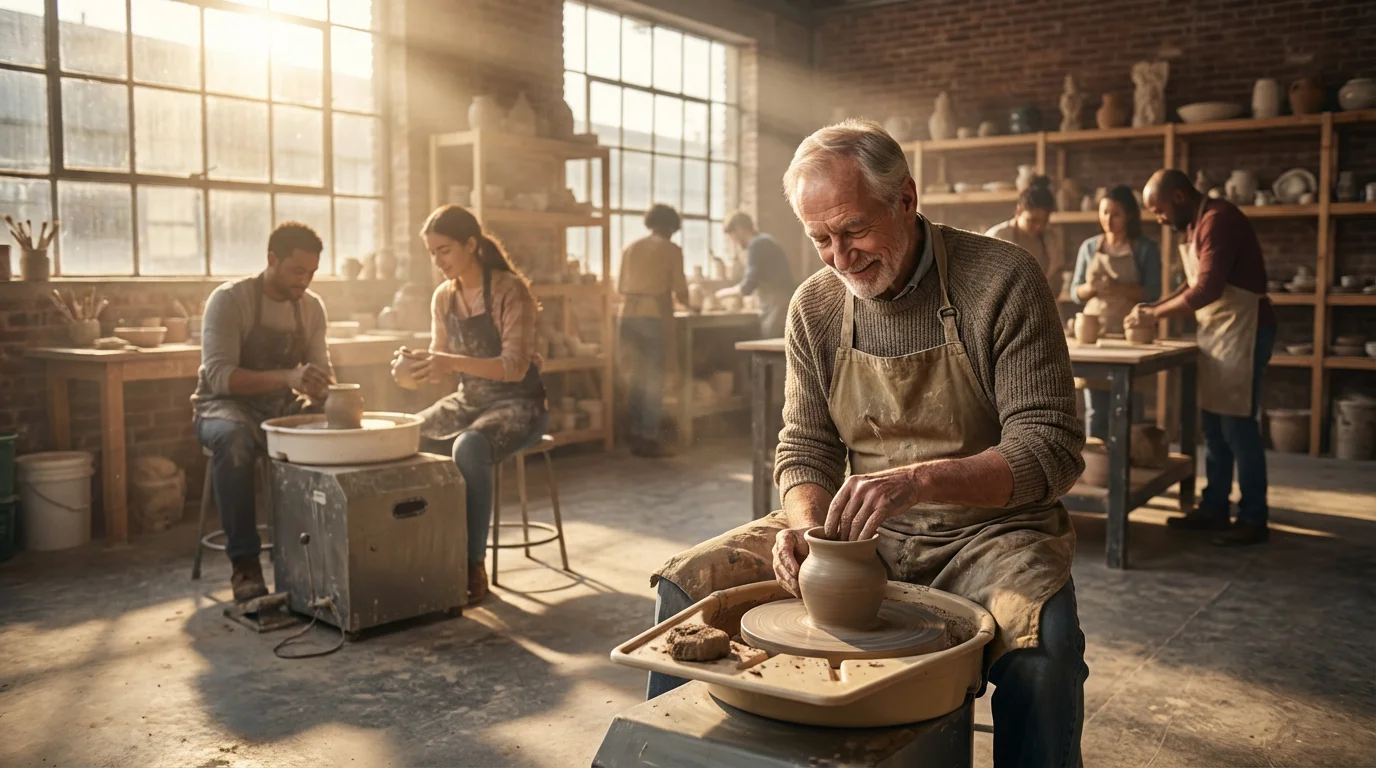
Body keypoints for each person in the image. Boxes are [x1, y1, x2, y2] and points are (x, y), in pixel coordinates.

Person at [648, 120, 1088, 765]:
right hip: (858, 531)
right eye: (819, 238)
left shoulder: (1001, 279)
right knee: (686, 593)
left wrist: (918, 480)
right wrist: (802, 526)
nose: (839, 255)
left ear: (905, 200)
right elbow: (804, 447)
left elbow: (1049, 446)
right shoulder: (816, 306)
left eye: (853, 230)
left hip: (989, 533)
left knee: (1044, 647)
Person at [396, 205, 549, 603]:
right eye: (432, 253)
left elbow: (515, 367)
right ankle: (425, 554)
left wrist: (450, 362)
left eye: (444, 250)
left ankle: (470, 562)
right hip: (470, 400)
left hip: (521, 403)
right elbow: (440, 366)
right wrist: (411, 370)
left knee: (468, 447)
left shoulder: (507, 290)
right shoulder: (443, 298)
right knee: (403, 435)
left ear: (471, 244)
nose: (438, 261)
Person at [1130, 169, 1276, 547]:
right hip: (1219, 333)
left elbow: (1208, 289)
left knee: (1239, 428)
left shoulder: (1219, 220)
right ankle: (1214, 508)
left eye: (1158, 209)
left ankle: (1253, 517)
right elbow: (1193, 284)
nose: (1158, 219)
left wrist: (1155, 316)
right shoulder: (1195, 226)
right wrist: (1155, 306)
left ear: (1178, 197)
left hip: (1245, 331)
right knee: (1213, 426)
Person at [193, 222, 333, 603]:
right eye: (297, 271)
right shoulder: (229, 300)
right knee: (234, 438)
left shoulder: (311, 306)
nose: (304, 281)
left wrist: (324, 387)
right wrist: (288, 376)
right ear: (272, 259)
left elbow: (320, 368)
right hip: (223, 407)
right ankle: (245, 563)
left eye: (311, 273)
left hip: (280, 406)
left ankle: (319, 554)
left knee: (333, 423)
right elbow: (220, 377)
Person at [1069, 185, 1162, 438]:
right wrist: (1091, 288)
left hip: (1132, 334)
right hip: (1095, 337)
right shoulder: (1090, 248)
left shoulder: (1144, 249)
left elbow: (1154, 293)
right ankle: (1098, 469)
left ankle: (1129, 467)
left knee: (1131, 410)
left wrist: (1119, 288)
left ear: (1130, 215)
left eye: (1116, 214)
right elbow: (1075, 292)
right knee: (1096, 411)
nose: (1108, 220)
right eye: (1104, 213)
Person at [617, 204, 691, 458]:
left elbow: (619, 286)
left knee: (635, 377)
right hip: (651, 316)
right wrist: (693, 305)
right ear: (671, 227)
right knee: (654, 380)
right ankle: (649, 438)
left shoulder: (630, 248)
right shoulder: (671, 249)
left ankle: (635, 434)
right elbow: (680, 290)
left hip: (626, 315)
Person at [715, 211, 799, 338]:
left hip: (777, 306)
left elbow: (748, 285)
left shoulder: (758, 244)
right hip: (778, 303)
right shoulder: (764, 241)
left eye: (732, 235)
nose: (733, 241)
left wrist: (721, 294)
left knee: (773, 349)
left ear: (739, 229)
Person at [985, 175, 1065, 294]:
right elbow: (986, 283)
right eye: (1032, 220)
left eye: (1044, 221)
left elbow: (1057, 281)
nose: (1038, 227)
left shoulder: (1050, 238)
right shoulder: (998, 236)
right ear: (1018, 212)